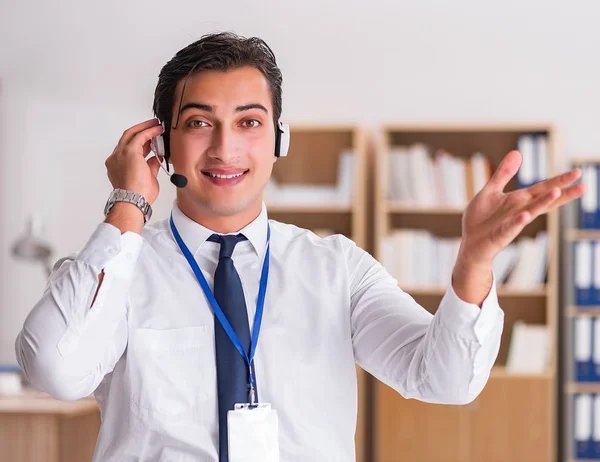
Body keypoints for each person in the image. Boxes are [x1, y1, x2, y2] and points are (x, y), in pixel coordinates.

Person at [15, 31, 585, 462]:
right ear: (161, 142)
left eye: (249, 122)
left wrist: (474, 264)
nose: (224, 148)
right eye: (198, 123)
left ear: (279, 138)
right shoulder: (118, 269)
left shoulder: (336, 268)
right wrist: (126, 204)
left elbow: (445, 379)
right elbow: (54, 370)